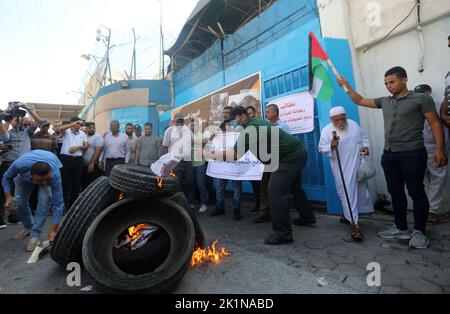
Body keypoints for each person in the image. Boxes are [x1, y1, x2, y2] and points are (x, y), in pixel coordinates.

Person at [337, 66, 448, 249]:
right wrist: (346, 86)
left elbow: (435, 123)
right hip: (389, 155)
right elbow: (360, 100)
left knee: (416, 192)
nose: (389, 86)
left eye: (392, 82)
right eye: (386, 83)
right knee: (395, 192)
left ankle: (419, 231)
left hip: (412, 153)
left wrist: (440, 149)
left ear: (404, 80)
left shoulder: (421, 99)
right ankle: (401, 228)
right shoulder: (385, 101)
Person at [208, 106, 316, 245]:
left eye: (234, 119)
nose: (232, 123)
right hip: (294, 154)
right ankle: (307, 217)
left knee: (275, 192)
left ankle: (283, 234)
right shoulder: (255, 123)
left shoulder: (251, 129)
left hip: (289, 158)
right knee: (295, 189)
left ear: (242, 116)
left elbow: (235, 155)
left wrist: (211, 154)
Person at [318, 106, 374, 240]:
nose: (340, 122)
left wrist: (365, 147)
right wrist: (331, 146)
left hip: (358, 165)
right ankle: (355, 225)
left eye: (342, 118)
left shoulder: (353, 124)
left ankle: (346, 215)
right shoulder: (327, 130)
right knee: (347, 194)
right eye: (336, 120)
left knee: (358, 191)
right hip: (342, 168)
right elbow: (321, 148)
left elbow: (364, 138)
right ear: (331, 120)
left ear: (346, 116)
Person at [2, 150, 64, 251]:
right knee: (19, 203)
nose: (43, 183)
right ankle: (28, 227)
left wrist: (54, 230)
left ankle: (35, 235)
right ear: (30, 174)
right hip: (23, 177)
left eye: (46, 179)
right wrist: (8, 197)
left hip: (50, 160)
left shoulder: (54, 176)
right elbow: (6, 177)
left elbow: (59, 204)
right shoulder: (19, 165)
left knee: (44, 202)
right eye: (40, 180)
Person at [0, 105, 43, 224]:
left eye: (20, 119)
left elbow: (41, 122)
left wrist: (29, 110)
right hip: (8, 165)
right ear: (11, 121)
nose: (19, 121)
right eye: (16, 119)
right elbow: (2, 134)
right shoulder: (7, 132)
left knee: (17, 194)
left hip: (23, 168)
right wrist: (6, 118)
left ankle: (13, 216)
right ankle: (0, 219)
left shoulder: (27, 132)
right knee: (4, 192)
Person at [414, 85, 449, 224]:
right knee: (426, 182)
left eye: (424, 94)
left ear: (429, 93)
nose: (422, 96)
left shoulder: (440, 106)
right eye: (419, 94)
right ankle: (429, 211)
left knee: (437, 182)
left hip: (436, 151)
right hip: (419, 152)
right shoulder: (414, 108)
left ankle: (431, 211)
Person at [208, 106, 243, 221]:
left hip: (234, 161)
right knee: (219, 187)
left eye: (227, 112)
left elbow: (241, 139)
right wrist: (212, 137)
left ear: (232, 114)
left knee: (236, 187)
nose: (225, 114)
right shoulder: (220, 126)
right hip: (222, 162)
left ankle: (236, 210)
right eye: (224, 113)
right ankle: (220, 207)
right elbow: (213, 142)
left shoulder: (238, 125)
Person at [162, 113, 195, 207]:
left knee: (189, 181)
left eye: (181, 121)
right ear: (174, 122)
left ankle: (188, 202)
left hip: (187, 161)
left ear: (184, 122)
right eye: (178, 121)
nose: (180, 123)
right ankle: (175, 203)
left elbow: (193, 142)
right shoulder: (169, 130)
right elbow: (165, 147)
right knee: (176, 182)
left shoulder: (188, 130)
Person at [55, 117, 88, 211]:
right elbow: (59, 129)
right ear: (73, 123)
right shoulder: (67, 131)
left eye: (80, 123)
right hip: (66, 159)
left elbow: (86, 146)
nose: (79, 125)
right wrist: (73, 124)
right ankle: (63, 206)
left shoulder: (82, 133)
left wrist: (77, 147)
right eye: (78, 123)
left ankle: (72, 206)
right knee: (65, 182)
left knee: (76, 183)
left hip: (78, 160)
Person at [190, 119, 209, 213]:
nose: (193, 127)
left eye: (195, 125)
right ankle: (191, 202)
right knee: (192, 185)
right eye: (191, 125)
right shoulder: (188, 135)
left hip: (200, 164)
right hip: (190, 164)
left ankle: (204, 203)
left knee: (201, 184)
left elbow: (207, 140)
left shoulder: (201, 134)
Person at [246, 106, 261, 215]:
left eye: (250, 114)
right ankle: (258, 205)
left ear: (255, 114)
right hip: (251, 162)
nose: (249, 116)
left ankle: (265, 208)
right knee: (255, 185)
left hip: (263, 162)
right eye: (247, 114)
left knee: (265, 186)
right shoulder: (245, 128)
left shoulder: (261, 124)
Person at [82, 122, 104, 190]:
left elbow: (98, 150)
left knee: (93, 186)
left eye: (93, 128)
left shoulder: (98, 136)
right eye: (90, 128)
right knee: (84, 185)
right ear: (86, 129)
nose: (92, 129)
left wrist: (92, 163)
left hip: (93, 165)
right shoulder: (84, 136)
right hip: (83, 165)